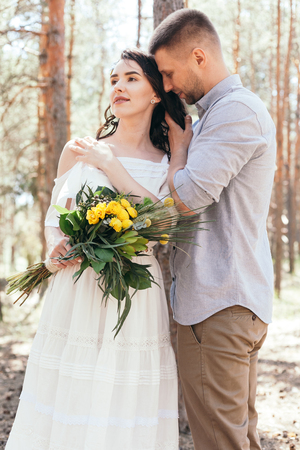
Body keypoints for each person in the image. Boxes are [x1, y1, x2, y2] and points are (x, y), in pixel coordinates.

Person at [6, 49, 187, 450]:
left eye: (132, 78)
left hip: (133, 293)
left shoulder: (167, 162)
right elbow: (56, 215)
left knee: (122, 394)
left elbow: (161, 227)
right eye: (113, 79)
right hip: (76, 288)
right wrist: (56, 246)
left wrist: (112, 166)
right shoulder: (78, 149)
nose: (119, 86)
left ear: (157, 93)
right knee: (73, 388)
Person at [149, 9, 276, 450]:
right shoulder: (216, 116)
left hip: (216, 305)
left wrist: (180, 151)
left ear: (199, 56)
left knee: (221, 443)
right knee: (238, 440)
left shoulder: (235, 112)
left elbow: (186, 197)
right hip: (229, 303)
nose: (167, 86)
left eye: (168, 72)